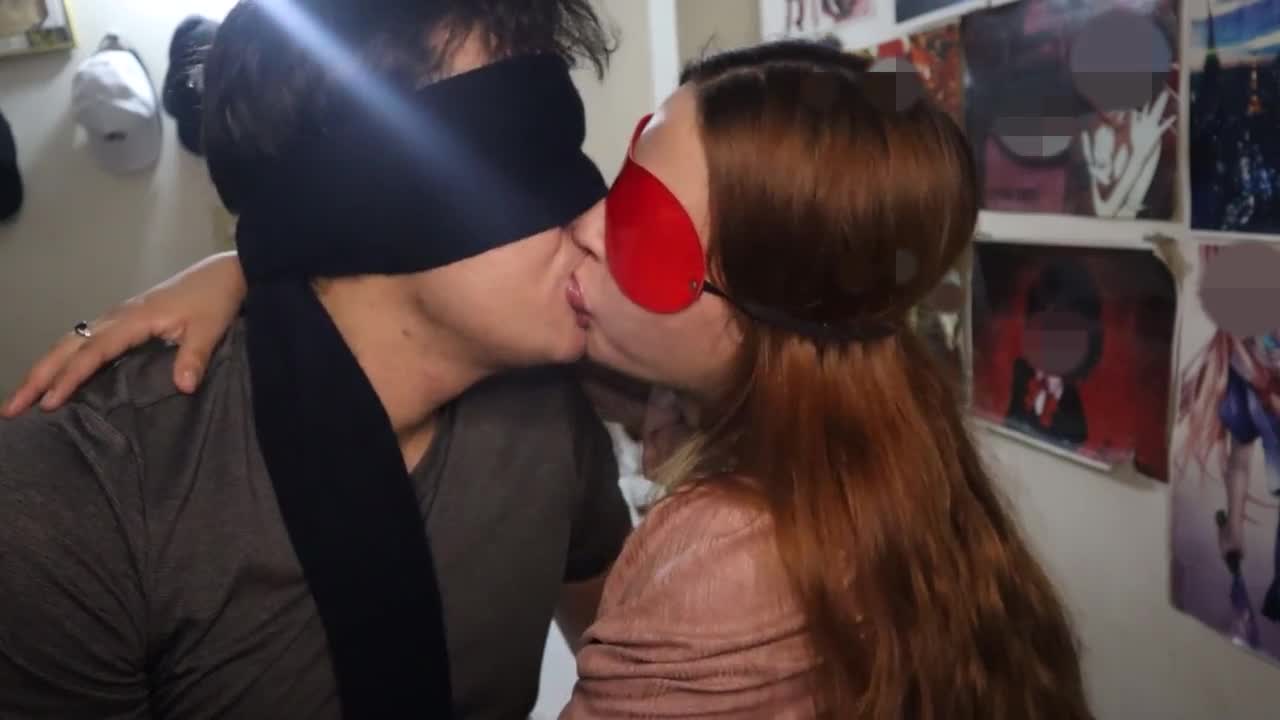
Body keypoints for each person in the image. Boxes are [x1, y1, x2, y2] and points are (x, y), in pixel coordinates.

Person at [7, 42, 1094, 718]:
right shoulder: (79, 501)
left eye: (637, 215)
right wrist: (250, 260)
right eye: (511, 162)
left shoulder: (635, 479)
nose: (582, 214)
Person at [0, 1, 634, 718]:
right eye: (524, 150)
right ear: (362, 195)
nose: (596, 218)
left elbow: (640, 666)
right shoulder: (82, 499)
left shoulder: (549, 410)